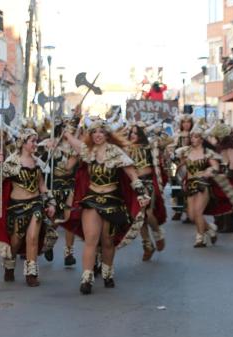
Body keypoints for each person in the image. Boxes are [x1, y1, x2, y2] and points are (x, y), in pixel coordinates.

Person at [63, 120, 150, 295]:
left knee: (108, 241)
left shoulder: (116, 152)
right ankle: (86, 278)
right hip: (92, 199)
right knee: (91, 239)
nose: (97, 135)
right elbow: (73, 142)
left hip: (112, 201)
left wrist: (141, 194)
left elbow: (132, 174)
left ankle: (107, 272)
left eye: (101, 132)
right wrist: (66, 132)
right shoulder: (88, 151)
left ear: (107, 134)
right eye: (94, 132)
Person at [0, 128, 57, 285]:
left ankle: (31, 274)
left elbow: (42, 185)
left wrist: (50, 202)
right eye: (33, 141)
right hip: (16, 207)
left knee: (33, 238)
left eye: (36, 141)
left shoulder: (38, 162)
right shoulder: (11, 162)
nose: (36, 144)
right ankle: (9, 266)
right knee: (15, 242)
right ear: (23, 143)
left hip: (35, 204)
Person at [175, 124, 233, 248]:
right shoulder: (185, 151)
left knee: (198, 212)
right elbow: (181, 165)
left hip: (202, 185)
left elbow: (216, 167)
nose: (193, 138)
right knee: (192, 215)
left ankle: (200, 237)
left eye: (196, 136)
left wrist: (208, 171)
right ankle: (210, 229)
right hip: (190, 184)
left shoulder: (207, 152)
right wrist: (179, 175)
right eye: (192, 136)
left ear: (201, 139)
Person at [126, 122, 167, 261]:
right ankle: (147, 245)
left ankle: (158, 234)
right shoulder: (125, 150)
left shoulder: (150, 146)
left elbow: (168, 142)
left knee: (148, 214)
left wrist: (157, 132)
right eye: (131, 132)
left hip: (148, 183)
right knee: (138, 216)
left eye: (136, 133)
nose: (132, 135)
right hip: (134, 185)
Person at [44, 119, 80, 267]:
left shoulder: (75, 147)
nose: (69, 131)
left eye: (71, 129)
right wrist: (49, 150)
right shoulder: (51, 144)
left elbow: (68, 167)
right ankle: (49, 243)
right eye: (66, 129)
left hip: (70, 187)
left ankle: (68, 253)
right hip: (55, 187)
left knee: (69, 219)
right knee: (54, 221)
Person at [169, 114, 193, 221]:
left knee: (188, 187)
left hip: (188, 164)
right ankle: (177, 211)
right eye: (184, 122)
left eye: (188, 122)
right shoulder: (177, 135)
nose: (186, 124)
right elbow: (171, 149)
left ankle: (189, 213)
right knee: (175, 187)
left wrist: (183, 163)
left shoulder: (194, 135)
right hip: (175, 164)